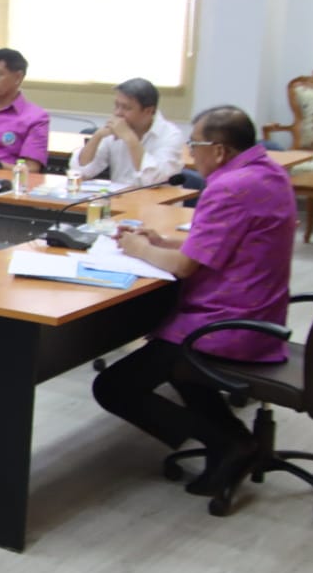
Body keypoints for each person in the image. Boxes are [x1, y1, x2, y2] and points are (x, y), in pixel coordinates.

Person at [92, 106, 297, 496]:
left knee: (114, 387)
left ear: (218, 150)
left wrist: (138, 248)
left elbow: (186, 267)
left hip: (227, 325)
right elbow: (224, 242)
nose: (190, 153)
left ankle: (229, 443)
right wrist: (163, 241)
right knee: (177, 366)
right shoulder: (269, 174)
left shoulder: (229, 187)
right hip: (261, 316)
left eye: (194, 144)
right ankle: (230, 441)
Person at [76, 77, 186, 188]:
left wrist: (130, 139)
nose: (118, 113)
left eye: (126, 108)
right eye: (116, 105)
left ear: (148, 111)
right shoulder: (114, 131)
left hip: (158, 199)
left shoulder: (171, 136)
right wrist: (97, 136)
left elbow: (154, 181)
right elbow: (81, 172)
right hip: (120, 197)